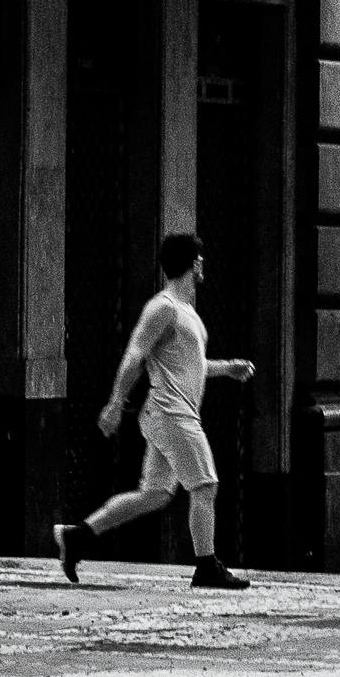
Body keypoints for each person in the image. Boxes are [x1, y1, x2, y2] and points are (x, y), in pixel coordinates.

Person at [55, 230, 257, 591]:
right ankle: (206, 567)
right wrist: (116, 403)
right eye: (200, 259)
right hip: (171, 412)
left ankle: (77, 536)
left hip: (173, 413)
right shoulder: (163, 307)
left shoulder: (186, 313)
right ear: (194, 263)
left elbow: (191, 365)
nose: (203, 265)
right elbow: (135, 355)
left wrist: (227, 367)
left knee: (156, 494)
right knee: (205, 484)